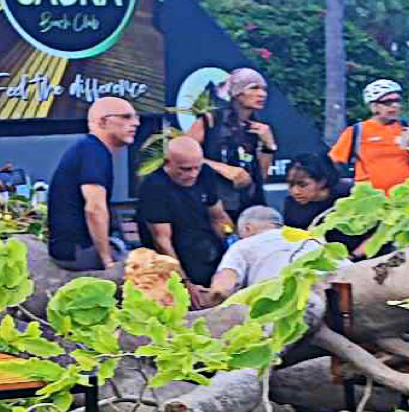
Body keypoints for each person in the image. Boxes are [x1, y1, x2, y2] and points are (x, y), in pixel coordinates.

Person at [46, 97, 137, 271]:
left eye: (135, 117)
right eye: (126, 117)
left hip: (71, 249)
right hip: (79, 252)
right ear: (103, 122)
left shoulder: (89, 148)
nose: (135, 123)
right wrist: (107, 260)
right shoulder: (93, 152)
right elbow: (94, 208)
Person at [136, 136, 231, 285]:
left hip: (208, 252)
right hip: (175, 258)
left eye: (197, 167)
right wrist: (183, 280)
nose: (193, 174)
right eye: (185, 169)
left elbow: (218, 217)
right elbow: (162, 241)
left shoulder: (205, 174)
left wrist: (232, 245)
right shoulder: (154, 186)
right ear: (168, 163)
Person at [187, 67, 275, 218]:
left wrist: (269, 146)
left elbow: (261, 176)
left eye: (264, 89)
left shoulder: (258, 127)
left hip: (248, 205)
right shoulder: (211, 120)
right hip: (215, 204)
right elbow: (182, 156)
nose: (262, 94)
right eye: (254, 88)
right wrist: (223, 168)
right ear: (236, 92)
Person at [195, 207, 319, 307]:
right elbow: (337, 280)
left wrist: (205, 296)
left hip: (270, 309)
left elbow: (222, 289)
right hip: (313, 304)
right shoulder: (312, 240)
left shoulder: (242, 246)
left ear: (247, 228)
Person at [328, 79, 409, 193]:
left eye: (397, 101)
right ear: (374, 106)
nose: (395, 105)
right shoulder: (356, 131)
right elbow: (332, 162)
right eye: (388, 102)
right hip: (369, 199)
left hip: (404, 198)